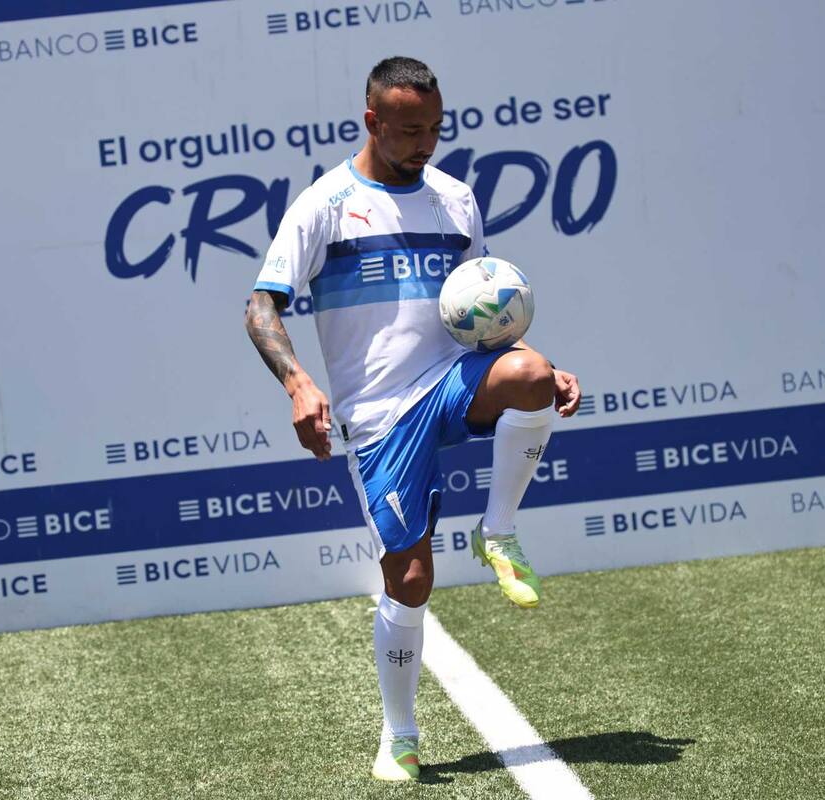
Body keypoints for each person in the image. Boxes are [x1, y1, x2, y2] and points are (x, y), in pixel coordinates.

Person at [244, 56, 581, 781]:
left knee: (531, 375)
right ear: (372, 121)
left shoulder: (456, 199)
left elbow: (488, 312)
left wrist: (536, 364)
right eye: (408, 130)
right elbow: (261, 305)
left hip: (452, 382)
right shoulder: (325, 204)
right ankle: (399, 734)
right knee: (412, 577)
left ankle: (498, 532)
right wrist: (299, 383)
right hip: (379, 417)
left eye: (434, 128)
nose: (425, 143)